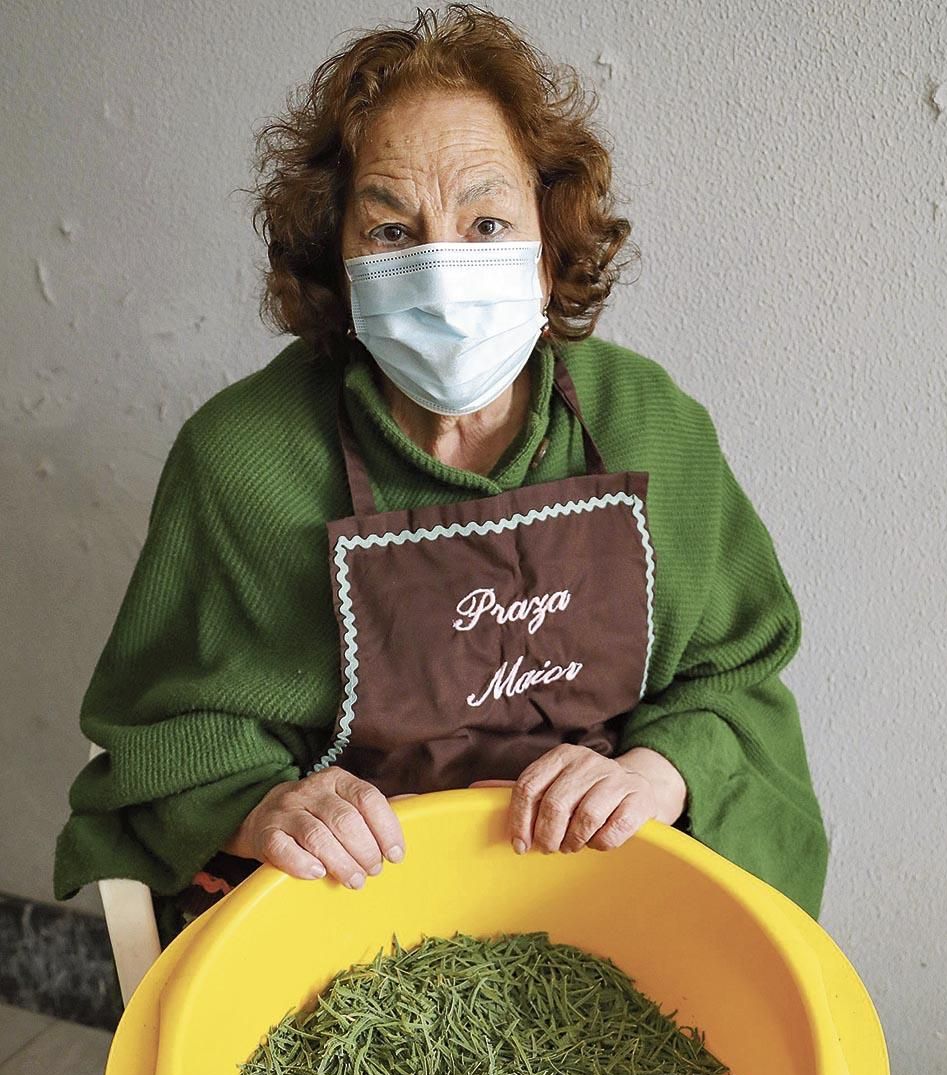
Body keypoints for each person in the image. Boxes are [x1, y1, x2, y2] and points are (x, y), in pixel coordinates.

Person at [54, 4, 829, 944]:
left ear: (546, 254)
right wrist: (267, 804)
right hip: (346, 914)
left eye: (487, 219)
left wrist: (655, 773)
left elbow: (735, 678)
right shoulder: (241, 459)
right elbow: (165, 729)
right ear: (337, 260)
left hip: (602, 893)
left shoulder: (650, 426)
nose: (443, 267)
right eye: (390, 232)